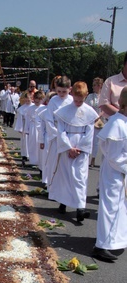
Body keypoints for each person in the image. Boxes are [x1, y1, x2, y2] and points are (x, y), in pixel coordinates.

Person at [48, 82, 97, 223]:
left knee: (80, 178)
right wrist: (69, 147)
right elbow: (61, 131)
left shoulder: (89, 112)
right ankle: (63, 202)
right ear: (72, 95)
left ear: (85, 96)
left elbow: (89, 133)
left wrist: (79, 148)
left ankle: (80, 208)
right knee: (66, 176)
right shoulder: (64, 111)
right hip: (67, 145)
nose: (77, 103)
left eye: (80, 101)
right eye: (75, 100)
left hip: (81, 149)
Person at [92, 86, 127, 262]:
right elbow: (114, 156)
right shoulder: (117, 123)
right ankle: (102, 246)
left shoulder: (123, 121)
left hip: (120, 174)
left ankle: (114, 241)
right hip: (114, 173)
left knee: (119, 209)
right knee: (110, 208)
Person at [42, 76, 72, 190]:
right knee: (53, 162)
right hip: (55, 135)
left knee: (65, 164)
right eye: (59, 91)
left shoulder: (71, 101)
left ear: (70, 89)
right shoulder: (53, 100)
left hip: (68, 135)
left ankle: (64, 189)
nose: (61, 94)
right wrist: (56, 134)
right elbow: (48, 119)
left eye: (64, 91)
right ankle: (52, 187)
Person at [99, 51, 127, 118]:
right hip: (113, 123)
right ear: (124, 64)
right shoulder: (110, 81)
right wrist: (122, 115)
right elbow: (104, 104)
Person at [85, 77, 105, 168]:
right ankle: (89, 158)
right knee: (90, 140)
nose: (93, 87)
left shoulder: (104, 96)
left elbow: (105, 108)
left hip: (101, 121)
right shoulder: (90, 96)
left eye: (94, 85)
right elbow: (86, 107)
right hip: (91, 120)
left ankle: (96, 158)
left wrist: (99, 116)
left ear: (100, 86)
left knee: (99, 142)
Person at [25, 90, 45, 168]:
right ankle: (33, 160)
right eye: (36, 100)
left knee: (39, 144)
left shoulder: (44, 108)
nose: (37, 102)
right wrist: (26, 129)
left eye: (39, 100)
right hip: (33, 127)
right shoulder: (30, 108)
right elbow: (27, 119)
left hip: (41, 127)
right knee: (32, 144)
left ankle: (39, 161)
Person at [15, 93, 33, 166]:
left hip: (32, 126)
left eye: (29, 99)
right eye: (26, 99)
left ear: (32, 99)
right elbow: (20, 119)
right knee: (24, 141)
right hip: (25, 126)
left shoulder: (34, 107)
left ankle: (32, 156)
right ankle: (24, 155)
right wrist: (20, 128)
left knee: (32, 142)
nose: (27, 100)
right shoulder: (22, 108)